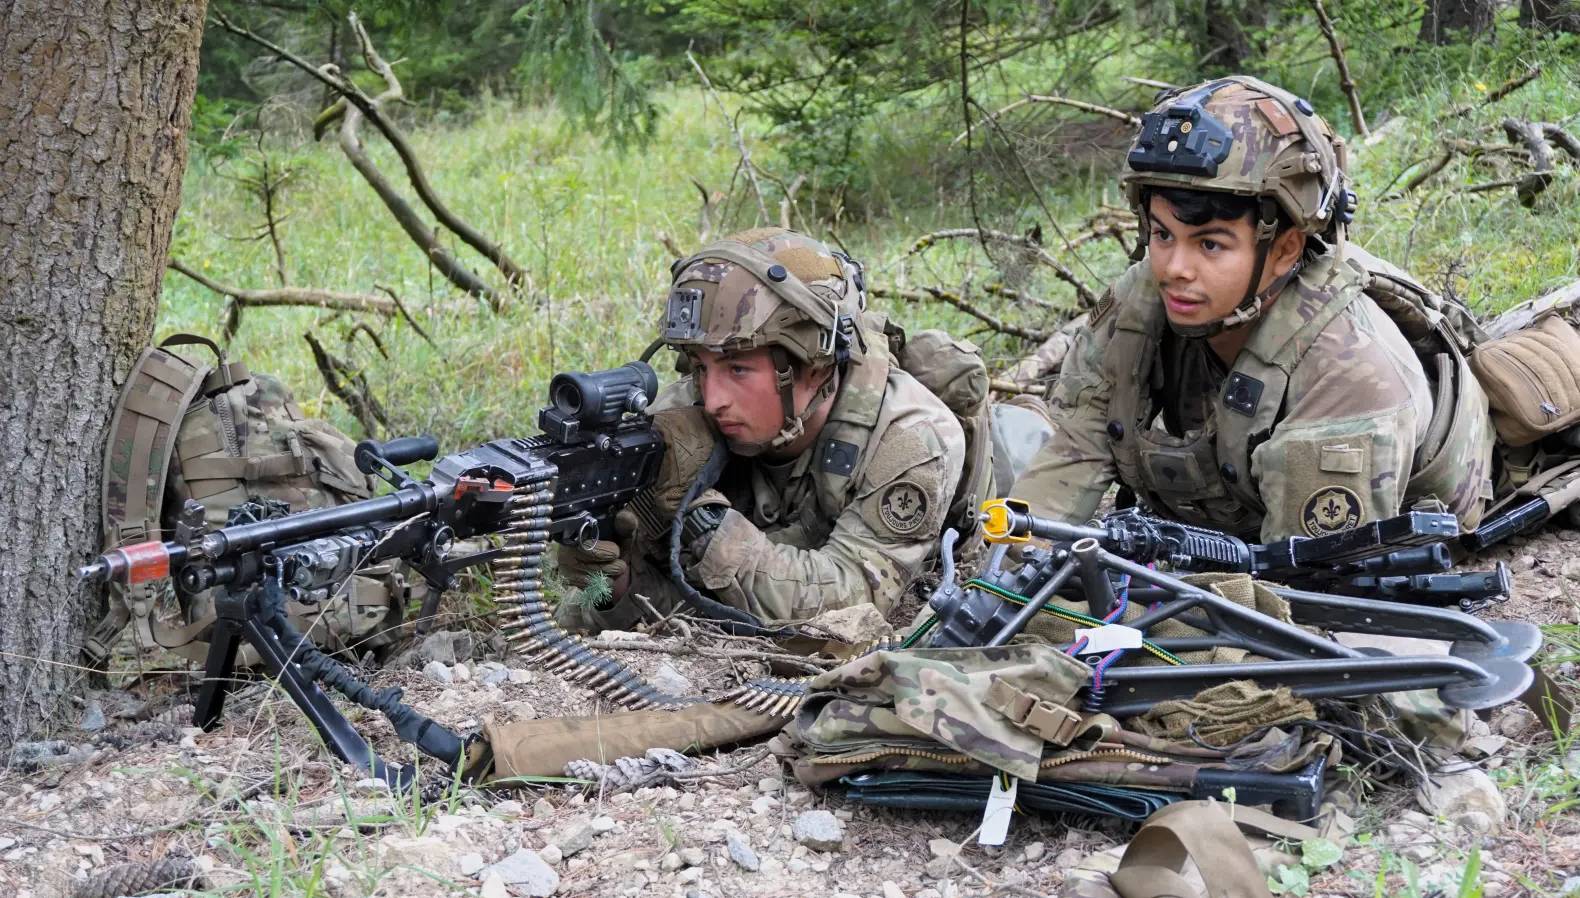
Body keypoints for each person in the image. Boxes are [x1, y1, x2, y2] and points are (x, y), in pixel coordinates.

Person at [1012, 75, 1497, 541]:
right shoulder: (1140, 307)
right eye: (1162, 234)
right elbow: (1070, 457)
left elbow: (1307, 593)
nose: (1174, 268)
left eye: (1211, 245)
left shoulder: (1345, 369)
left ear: (1285, 249)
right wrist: (994, 593)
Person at [557, 228, 978, 626]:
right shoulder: (684, 415)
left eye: (737, 368)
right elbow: (681, 607)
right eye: (700, 366)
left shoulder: (913, 438)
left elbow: (850, 607)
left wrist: (703, 521)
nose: (713, 397)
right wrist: (614, 587)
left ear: (816, 365)